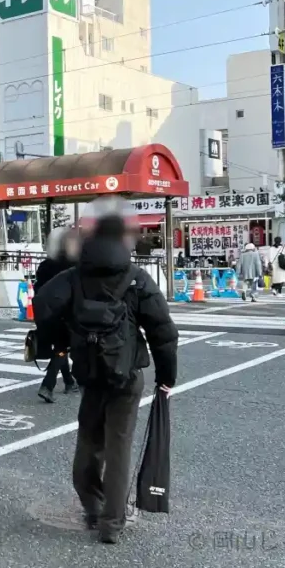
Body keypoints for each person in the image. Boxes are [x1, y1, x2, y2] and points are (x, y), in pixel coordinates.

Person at [34, 214, 178, 544]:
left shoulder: (74, 277)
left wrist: (60, 339)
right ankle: (111, 524)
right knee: (119, 446)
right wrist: (166, 376)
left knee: (89, 440)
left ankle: (91, 505)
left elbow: (43, 304)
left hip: (89, 371)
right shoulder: (136, 278)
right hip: (125, 374)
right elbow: (163, 332)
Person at [33, 227, 81, 403]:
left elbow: (38, 289)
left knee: (60, 348)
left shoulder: (45, 265)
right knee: (61, 348)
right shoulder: (74, 265)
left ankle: (69, 382)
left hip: (45, 314)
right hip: (65, 313)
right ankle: (48, 385)